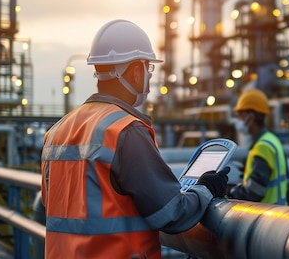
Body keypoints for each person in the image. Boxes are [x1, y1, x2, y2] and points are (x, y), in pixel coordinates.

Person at [40, 19, 229, 258]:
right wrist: (205, 190)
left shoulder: (56, 132)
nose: (148, 78)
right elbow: (171, 213)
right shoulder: (126, 131)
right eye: (148, 68)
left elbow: (50, 209)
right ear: (136, 70)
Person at [228, 88, 289, 205]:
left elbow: (253, 193)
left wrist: (228, 191)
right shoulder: (273, 140)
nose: (238, 120)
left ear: (250, 117)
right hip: (280, 215)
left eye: (240, 115)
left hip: (267, 217)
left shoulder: (262, 147)